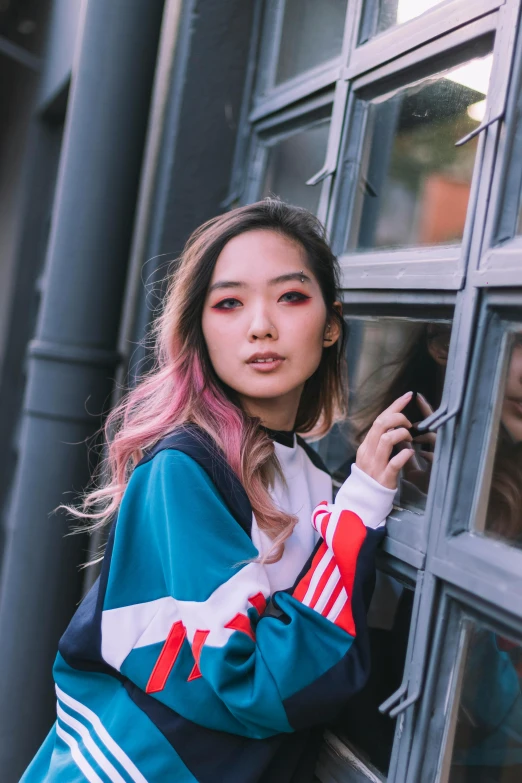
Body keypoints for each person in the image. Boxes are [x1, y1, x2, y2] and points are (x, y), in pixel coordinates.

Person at [21, 199, 415, 783]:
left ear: (331, 323)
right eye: (229, 303)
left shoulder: (307, 475)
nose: (261, 325)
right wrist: (360, 509)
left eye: (290, 297)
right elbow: (252, 684)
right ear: (198, 329)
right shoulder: (183, 471)